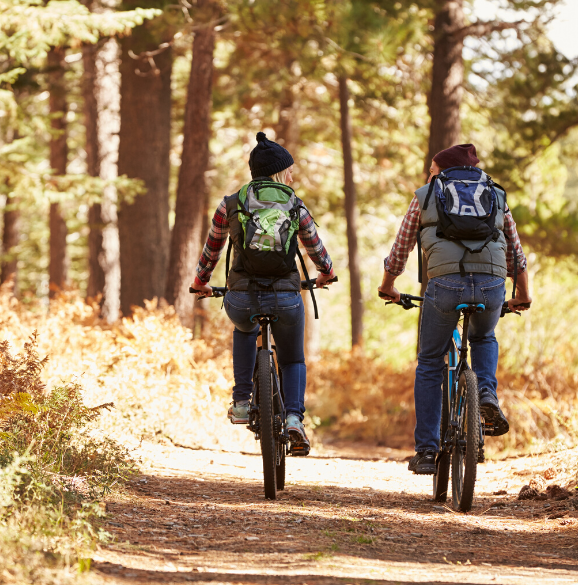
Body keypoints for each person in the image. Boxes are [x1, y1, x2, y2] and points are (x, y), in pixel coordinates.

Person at [378, 144, 532, 475]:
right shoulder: (496, 195)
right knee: (484, 336)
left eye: (431, 169)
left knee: (431, 361)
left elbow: (402, 246)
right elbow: (515, 252)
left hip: (445, 285)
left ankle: (427, 452)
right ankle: (487, 394)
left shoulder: (426, 194)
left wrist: (388, 285)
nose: (428, 175)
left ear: (444, 169)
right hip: (492, 286)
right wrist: (522, 293)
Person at [191, 132, 335, 455]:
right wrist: (326, 273)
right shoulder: (294, 203)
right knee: (293, 357)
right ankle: (295, 418)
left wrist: (201, 281)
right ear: (279, 172)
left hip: (241, 296)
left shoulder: (232, 203)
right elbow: (315, 247)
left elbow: (211, 251)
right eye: (289, 170)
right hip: (286, 296)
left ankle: (242, 401)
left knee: (243, 328)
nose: (293, 176)